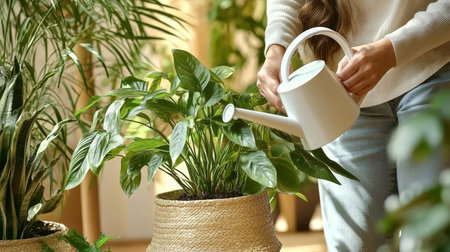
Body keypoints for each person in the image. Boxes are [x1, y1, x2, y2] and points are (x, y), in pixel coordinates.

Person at [257, 0, 450, 251]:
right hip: (338, 90)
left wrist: (392, 50)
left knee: (429, 239)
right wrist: (276, 48)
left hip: (432, 68)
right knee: (355, 245)